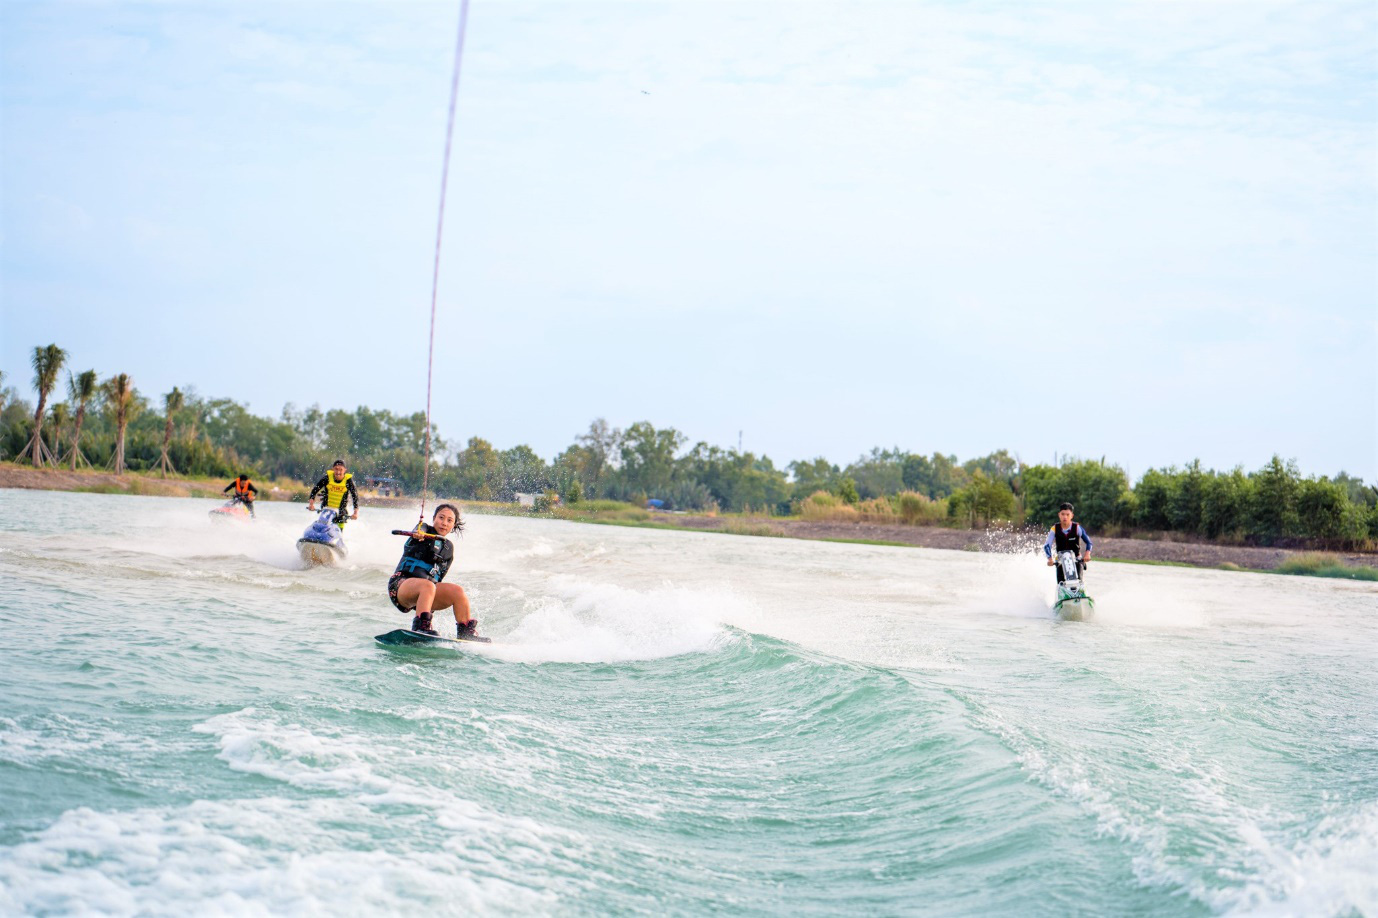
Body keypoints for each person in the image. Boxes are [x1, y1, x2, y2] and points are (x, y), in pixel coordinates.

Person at [387, 503, 479, 639]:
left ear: (453, 525)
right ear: (434, 518)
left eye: (449, 520)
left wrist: (428, 608)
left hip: (427, 591)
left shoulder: (448, 548)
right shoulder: (423, 530)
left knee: (457, 591)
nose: (444, 523)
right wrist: (418, 534)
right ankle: (420, 626)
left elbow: (438, 580)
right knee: (428, 586)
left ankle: (465, 632)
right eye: (441, 518)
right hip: (401, 585)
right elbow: (419, 529)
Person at [1044, 502, 1092, 582]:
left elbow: (1089, 542)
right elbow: (1046, 546)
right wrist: (1050, 559)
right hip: (1060, 560)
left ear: (1072, 516)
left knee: (1078, 581)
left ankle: (1079, 590)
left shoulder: (1077, 528)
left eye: (1067, 514)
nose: (1065, 517)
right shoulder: (1054, 529)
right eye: (1062, 514)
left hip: (1076, 559)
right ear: (1059, 515)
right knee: (1061, 583)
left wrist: (1087, 554)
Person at [307, 459, 359, 528]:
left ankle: (339, 534)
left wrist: (355, 513)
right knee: (323, 523)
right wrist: (311, 504)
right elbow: (315, 490)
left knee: (341, 518)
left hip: (341, 510)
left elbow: (355, 497)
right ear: (332, 469)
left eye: (341, 470)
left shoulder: (348, 481)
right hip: (327, 508)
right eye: (336, 469)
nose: (338, 472)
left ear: (345, 470)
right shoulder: (327, 478)